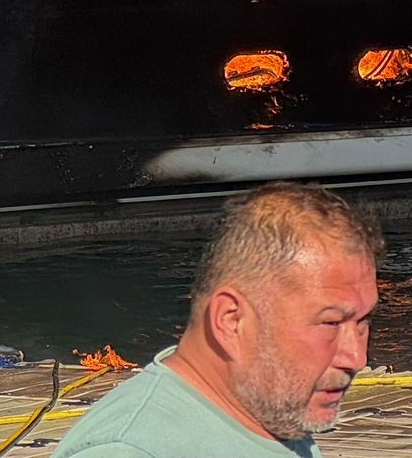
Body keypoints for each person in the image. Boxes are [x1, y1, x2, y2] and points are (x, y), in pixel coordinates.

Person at [54, 182, 382, 457]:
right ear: (231, 320)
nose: (357, 358)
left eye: (363, 321)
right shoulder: (131, 450)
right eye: (331, 324)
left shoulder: (273, 414)